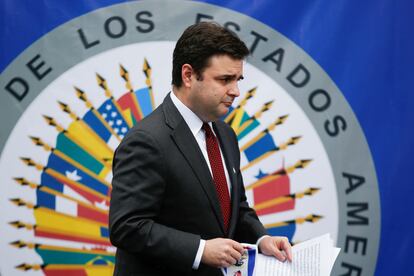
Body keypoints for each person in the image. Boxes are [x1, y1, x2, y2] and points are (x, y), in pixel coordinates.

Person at [109, 22, 292, 276]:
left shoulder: (225, 135)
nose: (236, 91)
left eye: (238, 79)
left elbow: (234, 209)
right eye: (225, 79)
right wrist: (200, 250)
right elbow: (127, 227)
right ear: (188, 75)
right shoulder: (146, 140)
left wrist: (262, 240)